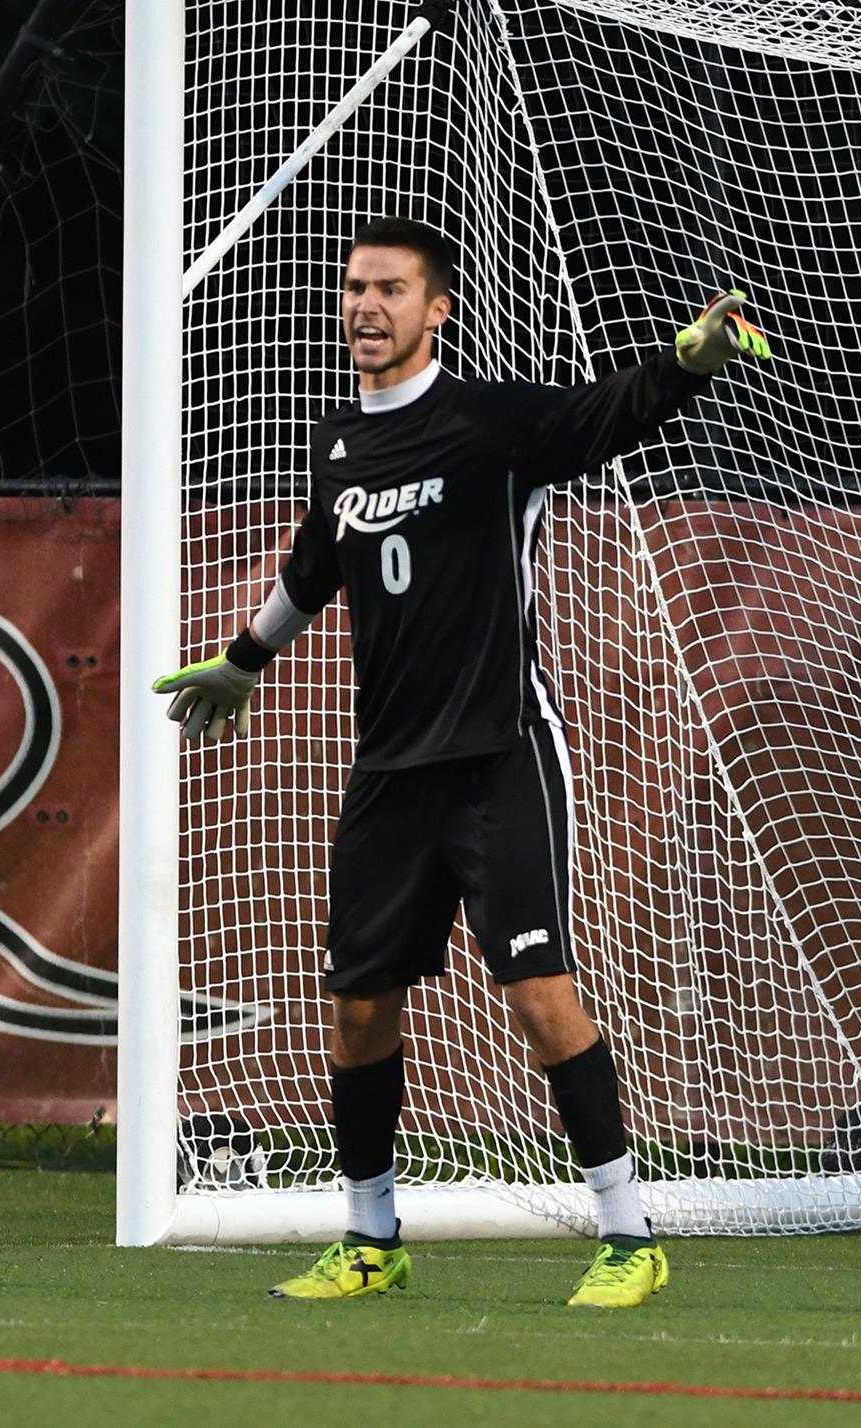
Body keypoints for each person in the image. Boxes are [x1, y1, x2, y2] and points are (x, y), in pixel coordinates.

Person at [154, 216, 770, 1308]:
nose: (364, 307)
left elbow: (598, 416)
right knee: (353, 1009)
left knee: (538, 994)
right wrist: (245, 659)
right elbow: (315, 561)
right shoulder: (340, 440)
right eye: (352, 289)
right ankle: (370, 1237)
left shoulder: (489, 421)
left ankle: (628, 1237)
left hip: (499, 757)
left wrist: (685, 367)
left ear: (436, 309)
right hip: (390, 773)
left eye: (389, 289)